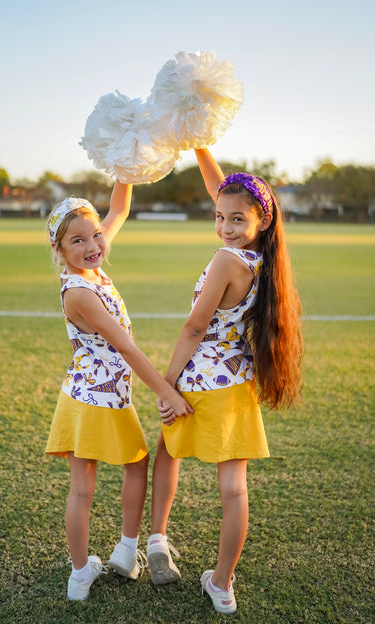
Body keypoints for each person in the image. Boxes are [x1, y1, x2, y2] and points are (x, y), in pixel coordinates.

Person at [147, 148, 302, 615]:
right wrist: (199, 143)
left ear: (261, 220)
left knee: (167, 452)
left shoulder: (224, 259)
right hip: (238, 384)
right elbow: (228, 190)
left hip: (198, 382)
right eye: (218, 217)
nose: (224, 227)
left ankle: (156, 538)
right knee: (234, 488)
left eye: (236, 219)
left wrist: (166, 384)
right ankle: (221, 584)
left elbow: (194, 327)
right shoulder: (262, 260)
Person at [45, 183, 191, 601]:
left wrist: (126, 164)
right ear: (60, 249)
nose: (93, 244)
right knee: (121, 471)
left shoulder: (90, 266)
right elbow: (125, 348)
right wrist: (167, 392)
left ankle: (89, 572)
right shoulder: (79, 291)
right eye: (78, 240)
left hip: (80, 395)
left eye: (96, 235)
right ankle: (119, 553)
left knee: (90, 484)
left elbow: (120, 208)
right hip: (101, 400)